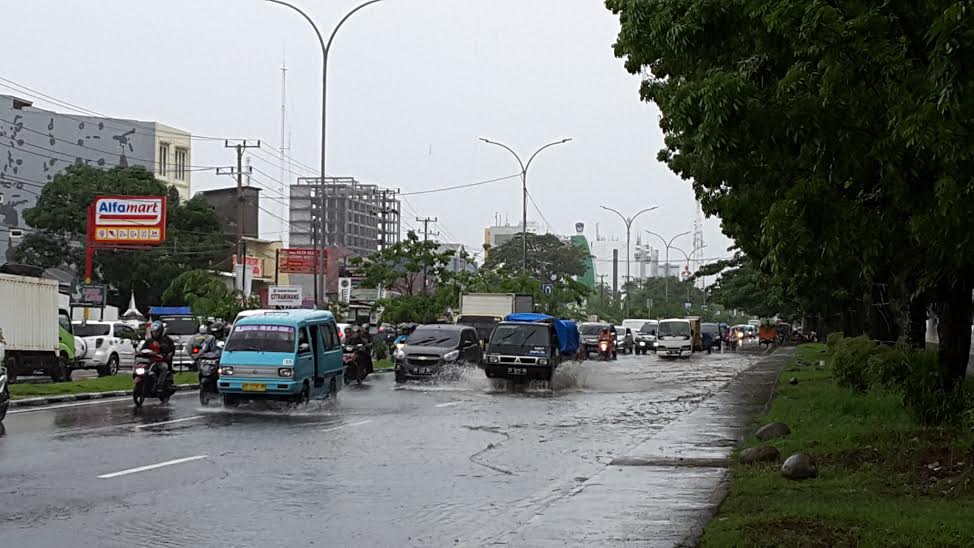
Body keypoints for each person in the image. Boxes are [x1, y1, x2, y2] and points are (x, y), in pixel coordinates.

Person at [142, 321, 176, 389]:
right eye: (153, 332)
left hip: (160, 360)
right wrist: (141, 352)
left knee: (164, 367)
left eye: (157, 332)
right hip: (150, 361)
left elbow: (168, 348)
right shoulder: (149, 340)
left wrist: (160, 347)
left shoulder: (165, 340)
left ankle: (159, 385)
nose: (155, 333)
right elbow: (143, 349)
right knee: (141, 368)